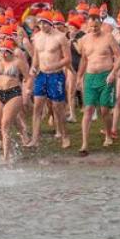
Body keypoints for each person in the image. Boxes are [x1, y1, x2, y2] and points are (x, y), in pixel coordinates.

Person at [75, 8, 120, 155]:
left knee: (104, 110)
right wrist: (79, 77)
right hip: (90, 77)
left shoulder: (108, 37)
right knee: (88, 109)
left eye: (96, 26)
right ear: (87, 26)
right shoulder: (84, 40)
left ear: (100, 25)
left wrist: (113, 73)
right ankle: (84, 143)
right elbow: (83, 59)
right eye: (91, 27)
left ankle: (108, 134)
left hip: (105, 76)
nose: (94, 29)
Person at [30, 12, 71, 147]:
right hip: (41, 75)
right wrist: (33, 67)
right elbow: (36, 56)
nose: (42, 26)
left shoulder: (60, 37)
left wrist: (56, 65)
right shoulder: (37, 37)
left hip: (56, 75)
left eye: (45, 23)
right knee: (37, 107)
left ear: (51, 23)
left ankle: (65, 136)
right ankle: (35, 139)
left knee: (58, 107)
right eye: (40, 23)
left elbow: (67, 59)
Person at [0, 37, 28, 163]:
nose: (3, 54)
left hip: (14, 93)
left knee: (5, 124)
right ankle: (6, 141)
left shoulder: (18, 62)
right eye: (1, 51)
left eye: (6, 52)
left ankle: (6, 157)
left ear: (11, 52)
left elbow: (28, 77)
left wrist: (27, 91)